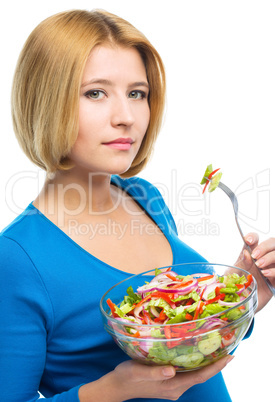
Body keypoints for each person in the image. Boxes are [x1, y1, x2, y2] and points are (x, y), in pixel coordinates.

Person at [0, 9, 274, 402]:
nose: (126, 117)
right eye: (95, 92)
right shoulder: (15, 259)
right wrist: (110, 391)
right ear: (45, 102)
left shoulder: (146, 198)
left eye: (137, 93)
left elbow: (182, 345)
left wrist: (237, 301)